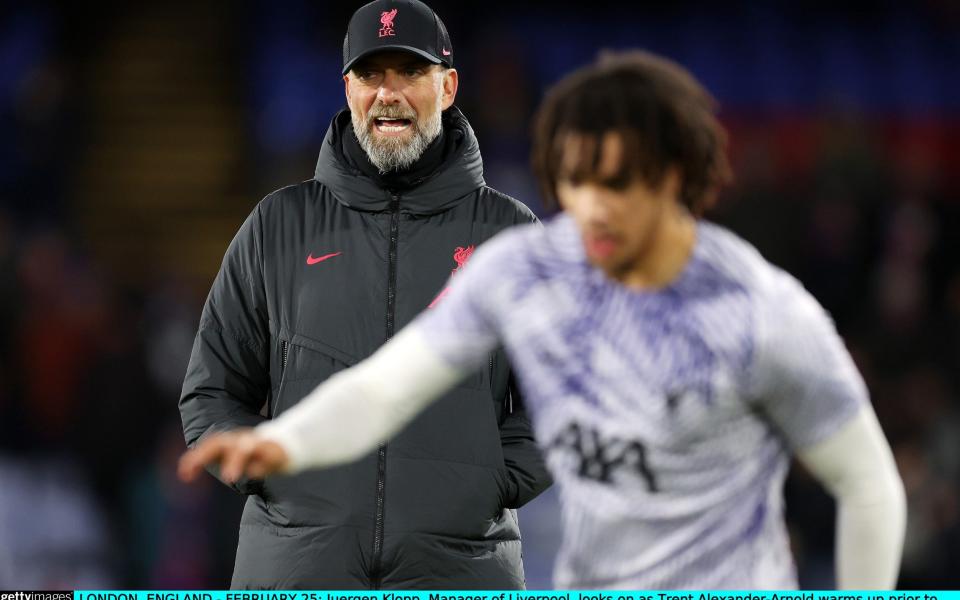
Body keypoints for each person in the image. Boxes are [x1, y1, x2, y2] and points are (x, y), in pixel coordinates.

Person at [180, 51, 907, 589]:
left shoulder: (762, 313)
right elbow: (381, 392)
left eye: (618, 182)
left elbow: (870, 486)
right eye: (575, 179)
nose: (592, 206)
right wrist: (287, 444)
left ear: (677, 177)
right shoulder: (524, 271)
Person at [178, 0, 551, 589]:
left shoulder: (509, 235)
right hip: (296, 566)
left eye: (410, 72)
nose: (389, 93)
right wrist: (280, 482)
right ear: (347, 87)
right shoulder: (277, 226)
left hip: (461, 567)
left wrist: (485, 485)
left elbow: (560, 398)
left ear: (448, 86)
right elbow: (211, 393)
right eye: (371, 74)